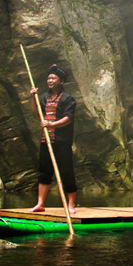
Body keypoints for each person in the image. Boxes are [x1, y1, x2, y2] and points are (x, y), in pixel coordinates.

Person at [28, 64, 77, 213]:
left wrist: (51, 124)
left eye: (53, 78)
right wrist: (32, 98)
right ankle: (40, 204)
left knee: (66, 171)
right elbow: (36, 115)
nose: (50, 81)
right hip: (46, 140)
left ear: (61, 81)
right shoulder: (44, 97)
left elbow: (68, 118)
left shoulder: (68, 98)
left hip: (62, 141)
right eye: (49, 78)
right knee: (44, 171)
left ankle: (71, 204)